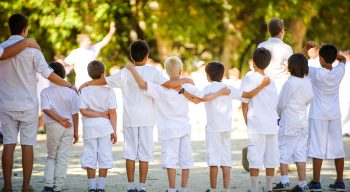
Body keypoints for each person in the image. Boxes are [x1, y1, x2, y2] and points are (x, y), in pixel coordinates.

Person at [79, 40, 192, 192]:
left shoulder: (125, 72)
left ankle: (131, 186)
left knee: (130, 153)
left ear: (132, 57)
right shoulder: (153, 72)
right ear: (147, 56)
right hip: (147, 119)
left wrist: (86, 84)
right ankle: (142, 186)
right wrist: (185, 80)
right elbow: (170, 85)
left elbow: (104, 81)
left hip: (130, 119)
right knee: (145, 154)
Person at [126, 56, 232, 192]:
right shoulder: (187, 85)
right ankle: (182, 189)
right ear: (181, 70)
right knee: (185, 159)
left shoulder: (159, 88)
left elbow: (142, 84)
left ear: (165, 71)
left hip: (168, 130)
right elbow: (201, 99)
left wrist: (133, 70)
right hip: (184, 128)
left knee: (170, 160)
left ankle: (171, 189)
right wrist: (219, 92)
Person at [0, 13, 76, 192]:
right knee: (28, 144)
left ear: (10, 28)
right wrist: (68, 84)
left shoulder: (2, 47)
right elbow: (48, 74)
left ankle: (7, 186)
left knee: (9, 143)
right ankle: (26, 186)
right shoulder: (33, 50)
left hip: (5, 104)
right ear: (25, 30)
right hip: (28, 105)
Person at [200, 62, 270, 192]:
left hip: (212, 130)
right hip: (226, 128)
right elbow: (247, 95)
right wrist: (262, 85)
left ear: (208, 76)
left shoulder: (207, 89)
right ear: (222, 74)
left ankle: (213, 189)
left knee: (213, 160)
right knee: (226, 159)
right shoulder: (229, 88)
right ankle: (227, 189)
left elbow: (202, 98)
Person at [303, 43, 347, 191]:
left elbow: (300, 65)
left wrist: (305, 49)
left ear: (320, 59)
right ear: (333, 59)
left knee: (317, 146)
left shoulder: (316, 73)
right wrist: (335, 56)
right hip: (334, 114)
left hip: (318, 114)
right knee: (338, 147)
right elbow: (343, 60)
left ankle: (316, 181)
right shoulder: (339, 71)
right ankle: (340, 181)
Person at [272, 54, 314, 192]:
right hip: (303, 122)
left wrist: (279, 115)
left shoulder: (290, 82)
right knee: (300, 153)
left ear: (291, 67)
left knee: (283, 150)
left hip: (289, 121)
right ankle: (303, 184)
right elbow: (308, 100)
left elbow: (281, 103)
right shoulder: (307, 81)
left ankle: (284, 181)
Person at [240, 48, 279, 192]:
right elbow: (275, 103)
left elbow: (244, 101)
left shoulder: (249, 77)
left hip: (256, 123)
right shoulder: (271, 80)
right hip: (271, 123)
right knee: (271, 157)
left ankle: (254, 189)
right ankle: (268, 188)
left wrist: (247, 121)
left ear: (253, 61)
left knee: (254, 158)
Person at [41, 62, 80, 192]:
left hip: (53, 125)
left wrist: (58, 120)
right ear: (63, 74)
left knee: (51, 155)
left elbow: (45, 109)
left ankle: (48, 185)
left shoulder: (45, 91)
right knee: (63, 157)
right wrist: (76, 131)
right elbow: (75, 113)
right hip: (69, 126)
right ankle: (58, 187)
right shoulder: (71, 92)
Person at [80, 60, 118, 192]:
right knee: (104, 155)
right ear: (103, 74)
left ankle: (91, 187)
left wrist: (98, 114)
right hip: (105, 128)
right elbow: (112, 113)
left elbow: (83, 111)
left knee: (90, 155)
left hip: (89, 127)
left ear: (89, 74)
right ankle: (101, 187)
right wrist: (114, 130)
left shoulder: (84, 90)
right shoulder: (109, 91)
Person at [64, 21, 116, 87]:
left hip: (94, 82)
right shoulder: (75, 53)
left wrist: (111, 32)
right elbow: (66, 63)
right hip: (81, 83)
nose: (90, 42)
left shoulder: (93, 48)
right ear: (81, 42)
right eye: (87, 40)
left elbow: (104, 42)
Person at [258, 18, 293, 93]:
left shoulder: (261, 46)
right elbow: (290, 69)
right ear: (282, 30)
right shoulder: (287, 48)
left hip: (264, 88)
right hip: (281, 88)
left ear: (269, 31)